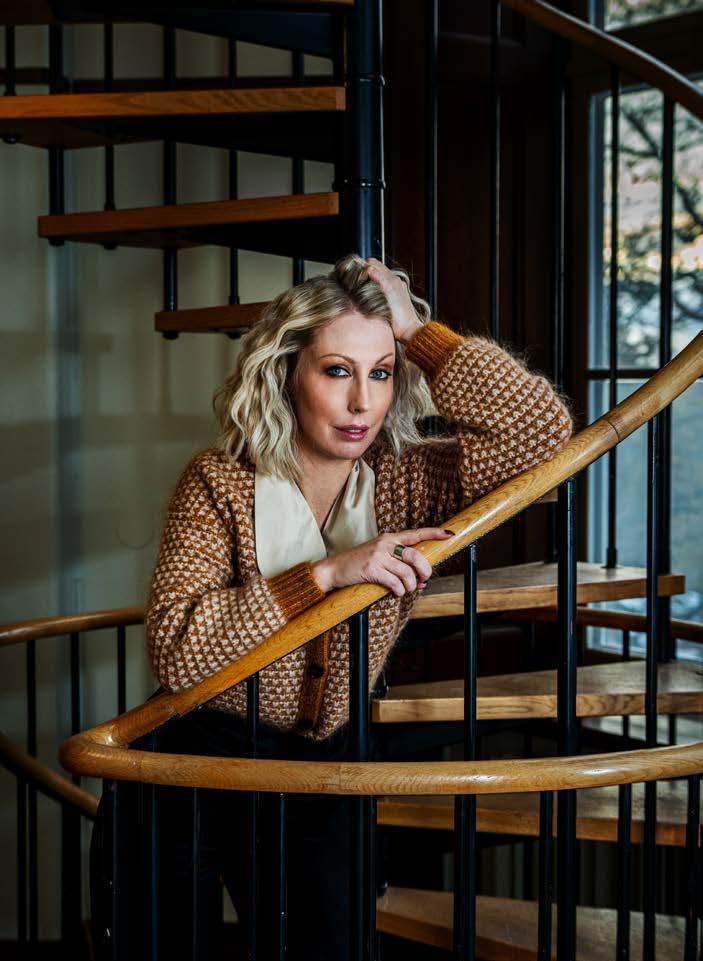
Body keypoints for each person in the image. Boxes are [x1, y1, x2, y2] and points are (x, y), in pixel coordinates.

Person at [90, 253, 573, 960]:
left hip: (325, 764)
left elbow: (542, 435)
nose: (361, 403)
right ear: (288, 371)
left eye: (380, 373)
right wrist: (324, 574)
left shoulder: (406, 481)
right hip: (188, 764)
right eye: (337, 370)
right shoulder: (219, 482)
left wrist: (416, 332)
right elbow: (178, 646)